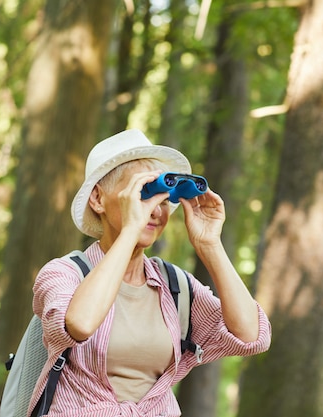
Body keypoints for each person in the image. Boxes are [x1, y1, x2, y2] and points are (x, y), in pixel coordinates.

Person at [29, 129, 271, 416]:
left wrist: (209, 245)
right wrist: (131, 229)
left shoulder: (174, 287)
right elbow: (79, 324)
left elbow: (250, 336)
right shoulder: (63, 274)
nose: (155, 210)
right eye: (144, 193)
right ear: (98, 199)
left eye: (165, 197)